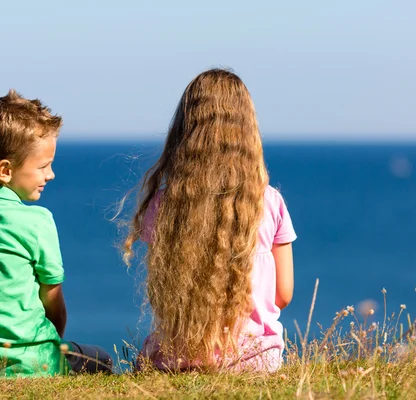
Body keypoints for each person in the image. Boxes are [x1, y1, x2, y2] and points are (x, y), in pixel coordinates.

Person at [0, 90, 112, 380]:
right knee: (103, 360)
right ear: (5, 170)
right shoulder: (37, 222)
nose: (50, 174)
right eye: (43, 166)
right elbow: (54, 304)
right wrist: (48, 346)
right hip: (35, 363)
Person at [123, 69, 296, 372]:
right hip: (256, 359)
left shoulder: (165, 204)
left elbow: (158, 293)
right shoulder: (269, 202)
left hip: (178, 359)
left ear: (185, 132)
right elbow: (283, 293)